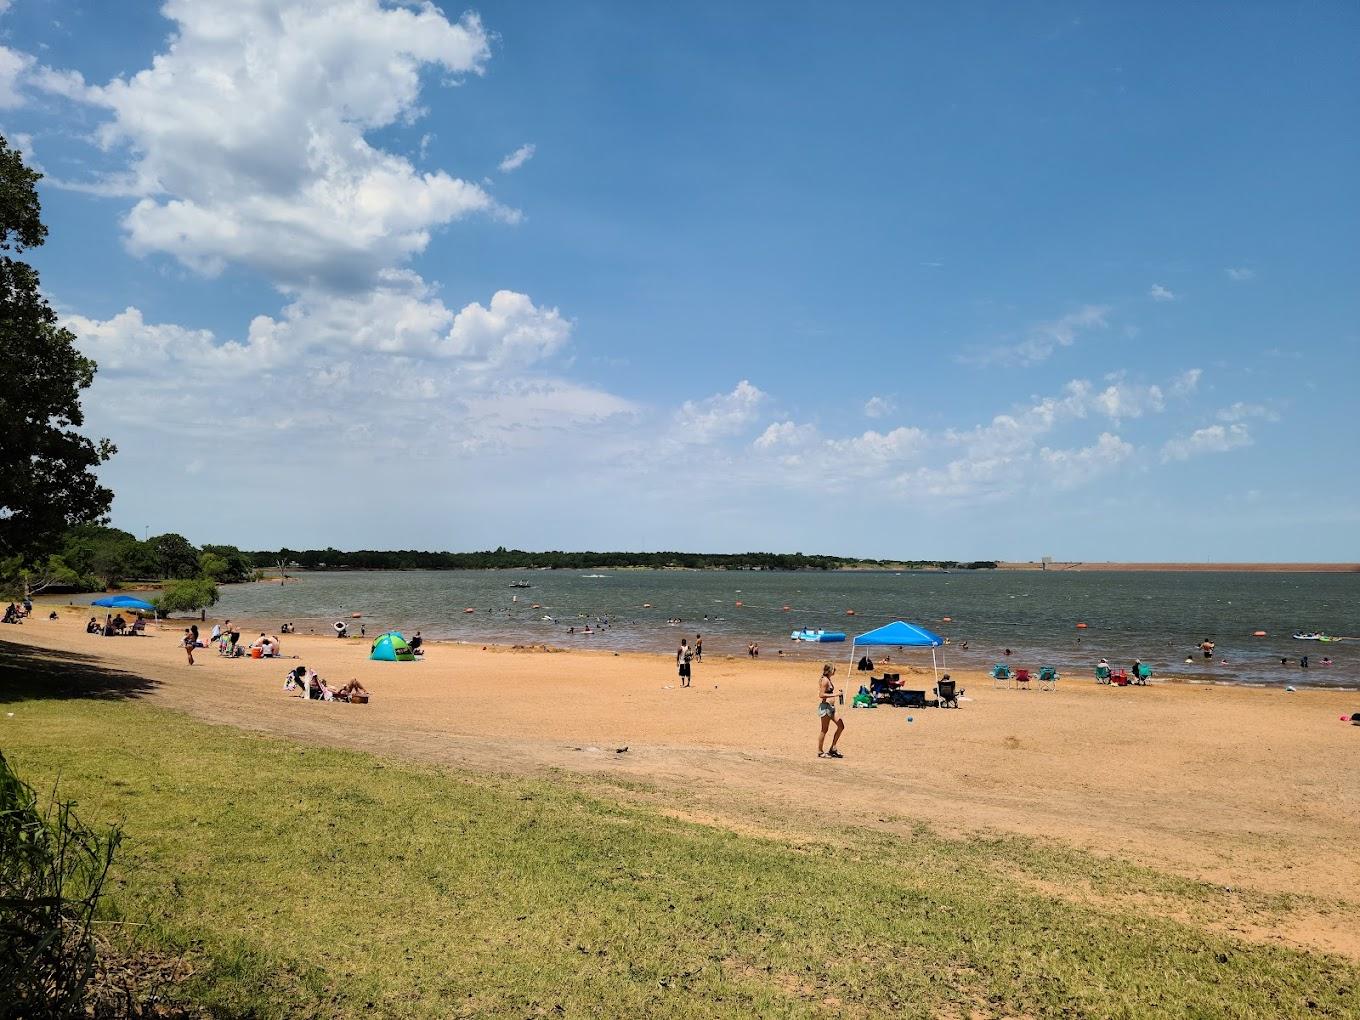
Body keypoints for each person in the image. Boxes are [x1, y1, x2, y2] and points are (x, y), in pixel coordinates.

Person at [817, 664, 844, 759]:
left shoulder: (828, 679)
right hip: (826, 707)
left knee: (841, 726)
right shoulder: (824, 680)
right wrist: (836, 694)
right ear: (829, 671)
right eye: (833, 670)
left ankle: (833, 748)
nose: (835, 671)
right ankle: (820, 751)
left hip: (832, 707)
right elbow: (821, 694)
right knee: (824, 729)